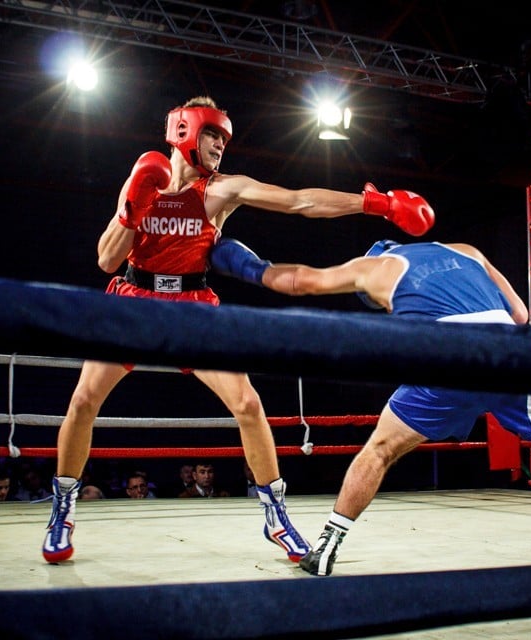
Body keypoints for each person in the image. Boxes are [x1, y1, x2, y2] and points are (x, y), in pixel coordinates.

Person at [42, 95, 435, 565]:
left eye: (223, 139)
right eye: (212, 134)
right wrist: (131, 208)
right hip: (134, 299)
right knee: (84, 399)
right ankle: (63, 508)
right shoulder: (144, 177)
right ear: (185, 129)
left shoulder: (222, 190)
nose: (219, 146)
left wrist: (376, 204)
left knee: (248, 404)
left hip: (193, 304)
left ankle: (275, 514)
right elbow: (107, 259)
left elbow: (298, 202)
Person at [210, 237, 531, 576]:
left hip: (448, 353)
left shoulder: (374, 269)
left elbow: (301, 282)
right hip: (510, 349)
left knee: (379, 451)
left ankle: (327, 549)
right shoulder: (467, 250)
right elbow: (522, 315)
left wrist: (244, 263)